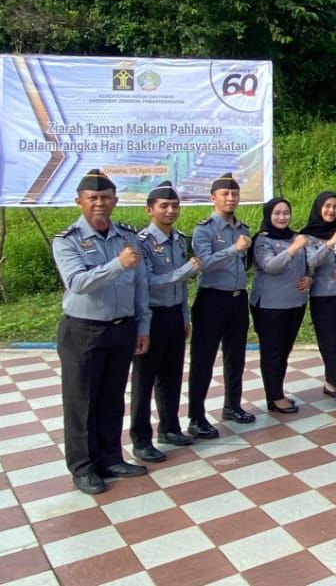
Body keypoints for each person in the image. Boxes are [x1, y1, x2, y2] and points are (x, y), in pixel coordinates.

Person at [52, 169, 150, 495]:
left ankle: (110, 458)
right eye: (92, 198)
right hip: (83, 331)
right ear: (79, 201)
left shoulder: (127, 236)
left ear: (115, 201)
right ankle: (83, 467)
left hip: (121, 329)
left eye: (105, 197)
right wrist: (118, 264)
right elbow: (78, 283)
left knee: (111, 399)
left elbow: (140, 284)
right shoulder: (67, 241)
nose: (99, 203)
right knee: (81, 402)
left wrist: (142, 325)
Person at [129, 181, 200, 464]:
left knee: (171, 377)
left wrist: (184, 316)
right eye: (164, 206)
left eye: (175, 206)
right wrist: (184, 271)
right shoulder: (142, 242)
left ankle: (169, 428)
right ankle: (141, 440)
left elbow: (181, 288)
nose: (170, 211)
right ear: (150, 210)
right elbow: (147, 284)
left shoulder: (179, 239)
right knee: (144, 381)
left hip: (173, 315)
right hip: (151, 316)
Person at [188, 173, 253, 438]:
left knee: (235, 356)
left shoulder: (243, 228)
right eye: (225, 194)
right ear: (213, 198)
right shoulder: (204, 230)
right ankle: (196, 416)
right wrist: (233, 250)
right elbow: (203, 263)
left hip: (238, 299)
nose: (230, 198)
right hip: (212, 299)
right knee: (203, 360)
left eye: (234, 194)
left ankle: (232, 405)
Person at [250, 198, 312, 415]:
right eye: (277, 213)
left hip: (295, 302)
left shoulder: (296, 236)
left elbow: (307, 263)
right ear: (268, 215)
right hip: (270, 305)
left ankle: (277, 392)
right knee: (272, 352)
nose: (282, 217)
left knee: (284, 351)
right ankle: (275, 396)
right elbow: (270, 266)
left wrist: (309, 278)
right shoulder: (262, 240)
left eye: (286, 213)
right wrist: (293, 248)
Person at [301, 191, 336, 410]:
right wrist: (330, 243)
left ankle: (331, 382)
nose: (332, 211)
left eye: (335, 206)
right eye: (327, 206)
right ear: (318, 208)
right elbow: (312, 261)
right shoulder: (308, 235)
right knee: (329, 341)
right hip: (323, 295)